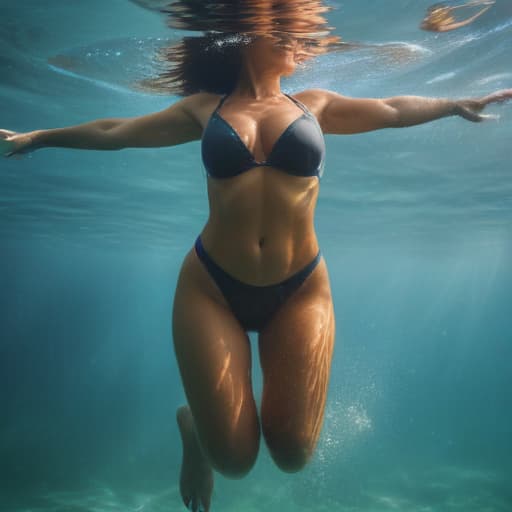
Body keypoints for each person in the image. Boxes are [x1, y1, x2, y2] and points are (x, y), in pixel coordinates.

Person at [1, 3, 511, 511]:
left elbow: (394, 109)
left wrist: (454, 104)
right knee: (234, 460)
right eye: (285, 30)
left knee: (293, 454)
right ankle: (196, 431)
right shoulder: (204, 109)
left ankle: (210, 424)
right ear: (247, 35)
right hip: (212, 287)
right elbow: (117, 133)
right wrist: (39, 138)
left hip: (301, 286)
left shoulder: (316, 103)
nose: (297, 39)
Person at [421, 0, 495, 32]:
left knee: (446, 9)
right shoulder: (441, 28)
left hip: (436, 19)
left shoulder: (435, 19)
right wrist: (485, 9)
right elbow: (469, 21)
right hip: (436, 21)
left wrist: (486, 8)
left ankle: (479, 2)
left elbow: (468, 20)